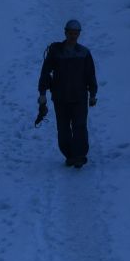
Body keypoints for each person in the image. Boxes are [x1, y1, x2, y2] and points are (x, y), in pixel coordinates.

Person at [38, 19, 99, 167]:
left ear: (79, 34)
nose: (73, 36)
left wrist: (92, 94)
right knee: (63, 128)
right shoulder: (55, 52)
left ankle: (79, 156)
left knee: (79, 126)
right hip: (60, 97)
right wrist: (42, 93)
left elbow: (90, 74)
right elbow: (45, 72)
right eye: (70, 33)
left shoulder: (84, 53)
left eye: (76, 33)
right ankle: (69, 155)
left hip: (79, 97)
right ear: (65, 33)